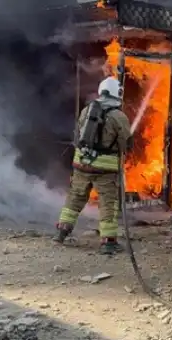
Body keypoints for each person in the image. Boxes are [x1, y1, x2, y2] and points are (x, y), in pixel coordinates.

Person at [54, 76, 132, 255]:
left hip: (82, 162)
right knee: (108, 204)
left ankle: (62, 231)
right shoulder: (119, 116)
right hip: (104, 168)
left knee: (75, 197)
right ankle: (109, 242)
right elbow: (126, 143)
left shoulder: (87, 110)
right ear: (117, 93)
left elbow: (80, 134)